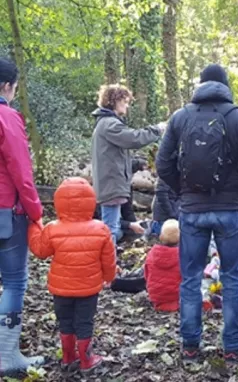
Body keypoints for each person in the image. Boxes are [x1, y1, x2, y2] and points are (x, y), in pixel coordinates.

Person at [156, 63, 238, 362]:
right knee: (231, 277)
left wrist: (182, 191)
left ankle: (190, 345)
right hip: (229, 210)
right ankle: (232, 346)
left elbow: (162, 164)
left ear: (200, 85)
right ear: (226, 85)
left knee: (190, 278)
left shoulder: (180, 117)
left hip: (191, 210)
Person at [28, 177, 116, 372]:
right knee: (84, 321)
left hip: (61, 289)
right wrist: (109, 277)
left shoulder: (52, 229)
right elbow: (108, 260)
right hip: (88, 288)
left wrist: (34, 225)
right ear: (91, 202)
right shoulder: (101, 229)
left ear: (59, 202)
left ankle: (68, 357)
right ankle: (86, 360)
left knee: (65, 320)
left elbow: (40, 251)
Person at [0, 58, 45, 374]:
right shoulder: (6, 116)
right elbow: (21, 171)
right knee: (14, 281)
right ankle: (6, 356)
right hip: (5, 212)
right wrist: (36, 212)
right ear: (7, 86)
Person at [91, 84, 165, 244]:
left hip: (111, 185)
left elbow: (113, 159)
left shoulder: (105, 124)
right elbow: (134, 138)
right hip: (111, 186)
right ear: (114, 101)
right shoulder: (109, 124)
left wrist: (138, 163)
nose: (127, 105)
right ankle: (108, 267)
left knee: (112, 228)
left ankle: (110, 264)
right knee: (110, 231)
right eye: (124, 101)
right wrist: (157, 130)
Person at [144, 219, 181, 312]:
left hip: (156, 296)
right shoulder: (183, 255)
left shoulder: (152, 253)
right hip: (176, 296)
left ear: (160, 236)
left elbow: (146, 274)